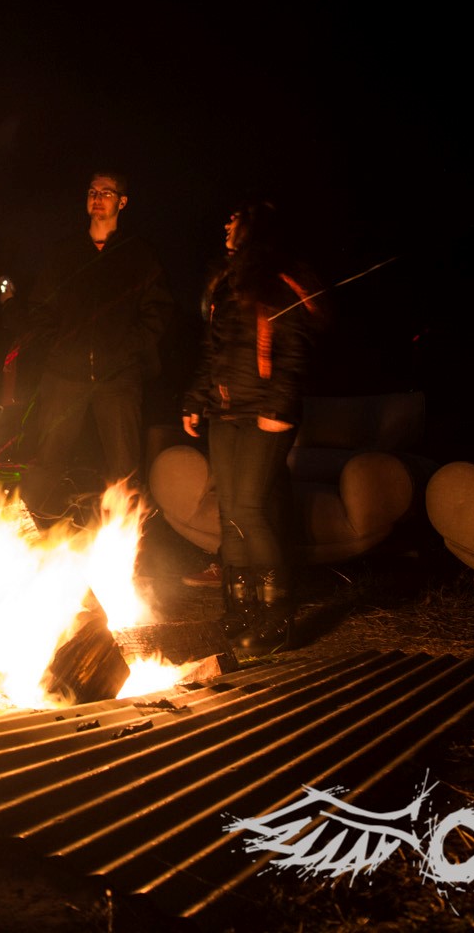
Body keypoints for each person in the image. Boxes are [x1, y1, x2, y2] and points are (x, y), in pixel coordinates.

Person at [180, 200, 324, 659]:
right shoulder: (226, 280)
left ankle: (276, 617)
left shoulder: (278, 278)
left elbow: (295, 347)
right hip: (226, 411)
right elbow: (214, 349)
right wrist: (196, 399)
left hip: (266, 410)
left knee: (250, 508)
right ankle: (240, 609)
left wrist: (278, 405)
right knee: (229, 510)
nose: (226, 222)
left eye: (236, 216)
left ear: (255, 227)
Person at [9, 171, 172, 523]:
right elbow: (41, 307)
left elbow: (157, 312)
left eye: (106, 193)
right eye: (92, 192)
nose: (97, 198)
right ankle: (32, 528)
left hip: (118, 376)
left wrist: (126, 350)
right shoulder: (65, 252)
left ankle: (126, 538)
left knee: (124, 465)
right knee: (48, 455)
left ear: (122, 202)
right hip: (64, 374)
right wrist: (58, 347)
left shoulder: (138, 255)